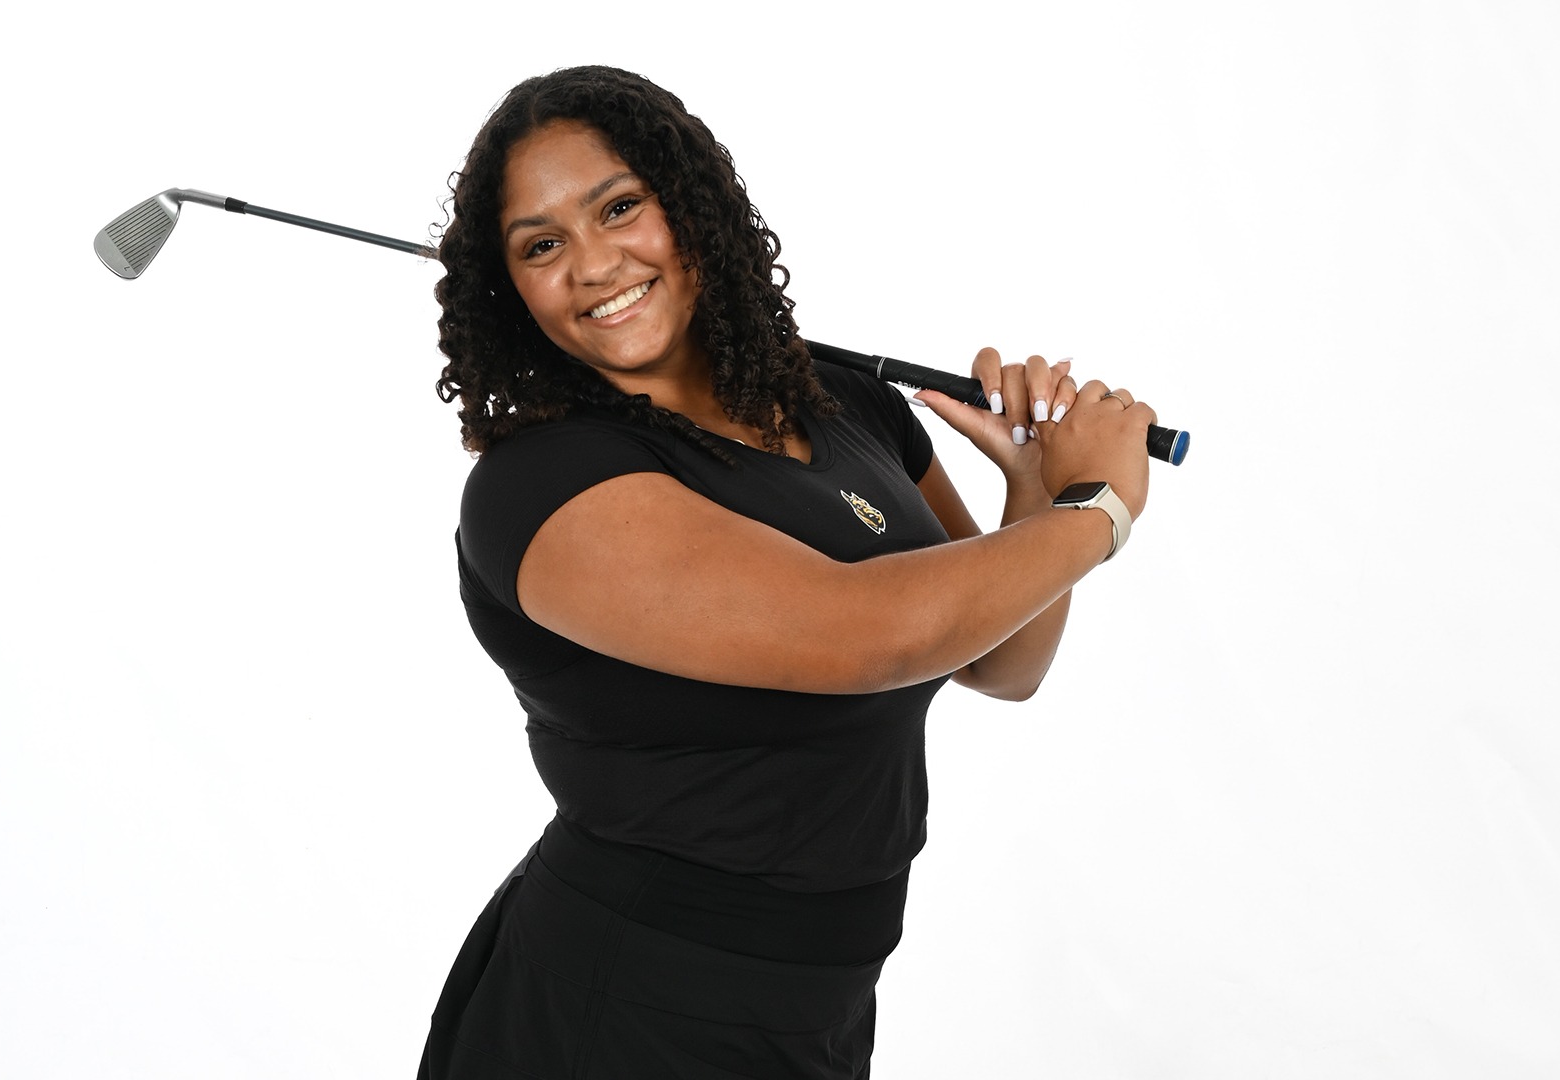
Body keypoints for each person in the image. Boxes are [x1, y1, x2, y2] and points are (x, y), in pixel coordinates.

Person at [419, 65, 1157, 1079]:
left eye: (620, 208)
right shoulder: (541, 486)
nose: (593, 266)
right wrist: (1097, 511)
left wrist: (1033, 493)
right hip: (623, 1003)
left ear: (692, 207)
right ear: (512, 290)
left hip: (821, 994)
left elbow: (999, 663)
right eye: (542, 247)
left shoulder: (844, 402)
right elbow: (868, 636)